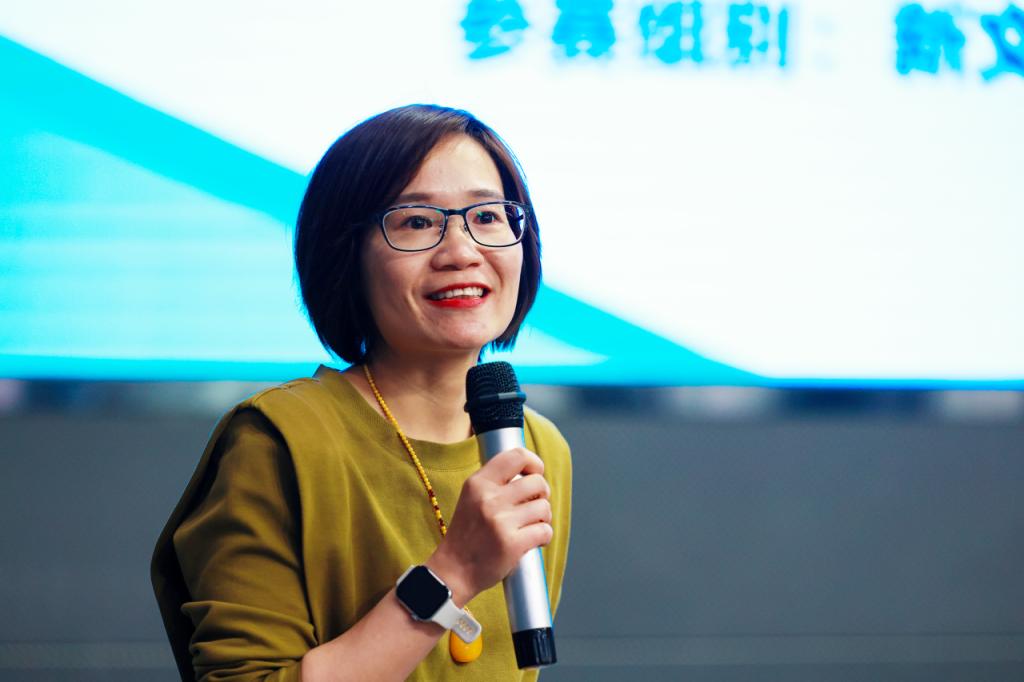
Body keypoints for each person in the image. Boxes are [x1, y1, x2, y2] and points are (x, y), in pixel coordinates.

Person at [150, 104, 572, 682]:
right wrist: (452, 573)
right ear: (347, 255)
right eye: (416, 222)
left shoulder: (538, 448)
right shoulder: (279, 441)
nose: (461, 251)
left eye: (488, 216)